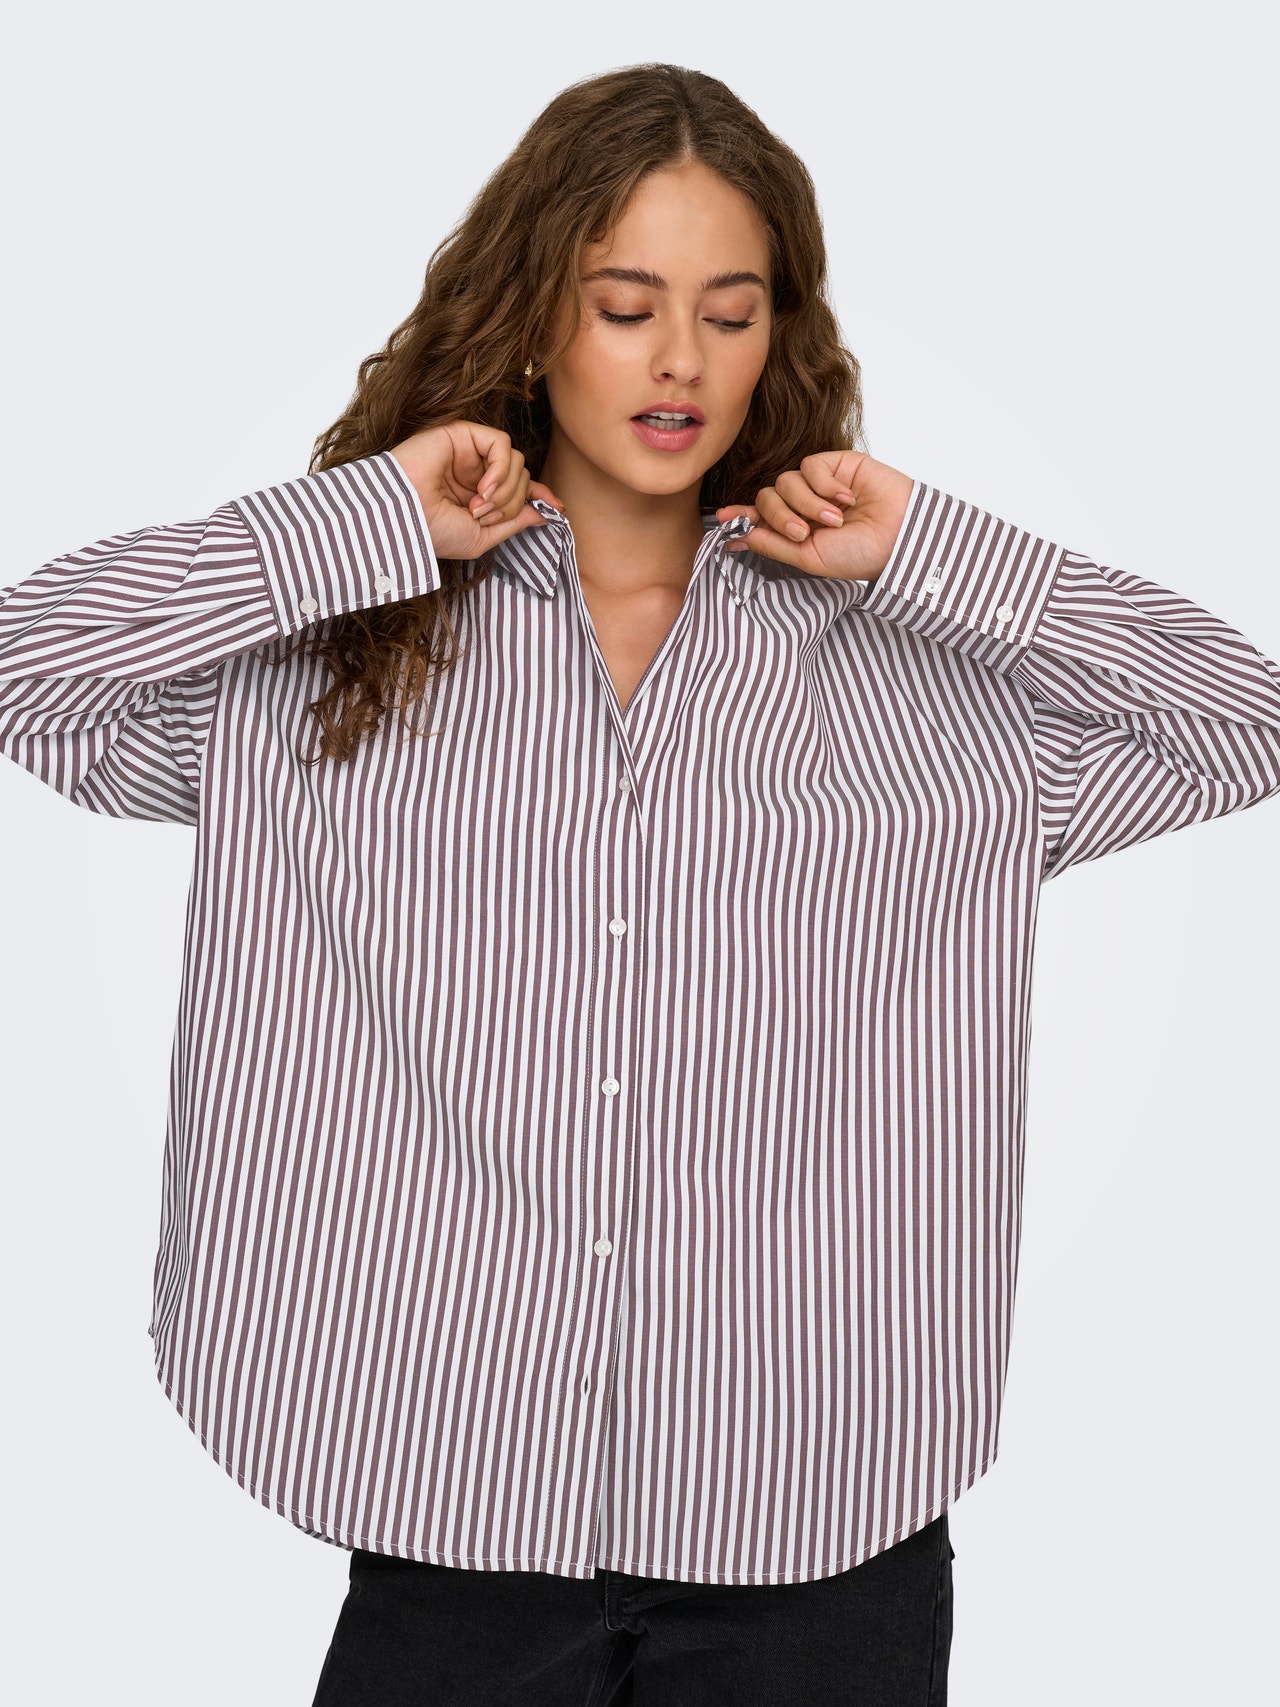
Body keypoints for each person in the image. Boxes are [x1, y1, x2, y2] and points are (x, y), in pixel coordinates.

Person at [2, 61, 1278, 1707]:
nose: (681, 358)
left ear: (778, 339)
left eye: (730, 313)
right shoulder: (332, 667)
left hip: (819, 1512)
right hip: (445, 1497)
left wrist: (932, 551)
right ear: (537, 318)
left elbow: (1240, 723)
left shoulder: (921, 687)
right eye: (627, 305)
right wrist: (364, 523)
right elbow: (33, 674)